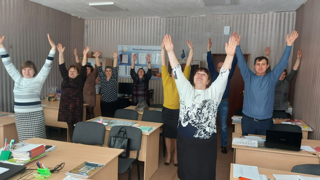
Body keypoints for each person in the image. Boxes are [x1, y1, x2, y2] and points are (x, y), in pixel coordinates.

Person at [163, 34, 236, 180]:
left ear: (208, 81)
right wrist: (170, 52)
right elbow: (177, 70)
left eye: (204, 74)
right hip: (185, 140)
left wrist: (230, 56)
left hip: (207, 142)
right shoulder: (186, 90)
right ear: (193, 78)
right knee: (185, 173)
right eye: (197, 73)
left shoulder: (214, 93)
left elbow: (223, 76)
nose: (200, 75)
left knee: (205, 174)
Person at [235, 31, 299, 135]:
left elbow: (282, 64)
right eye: (258, 64)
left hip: (265, 122)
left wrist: (289, 45)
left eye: (263, 64)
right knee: (247, 150)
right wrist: (237, 46)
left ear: (267, 66)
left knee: (264, 149)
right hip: (248, 121)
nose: (260, 67)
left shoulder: (272, 78)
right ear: (254, 66)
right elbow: (241, 62)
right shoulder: (248, 77)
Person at [0, 34, 56, 142]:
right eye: (24, 69)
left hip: (35, 116)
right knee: (24, 143)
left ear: (34, 71)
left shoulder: (38, 80)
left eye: (30, 69)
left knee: (39, 143)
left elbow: (47, 65)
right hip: (21, 117)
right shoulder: (17, 79)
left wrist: (53, 49)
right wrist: (1, 46)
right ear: (21, 71)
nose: (27, 71)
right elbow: (8, 64)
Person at [161, 40, 192, 166]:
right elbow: (163, 64)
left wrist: (192, 50)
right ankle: (168, 155)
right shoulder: (166, 79)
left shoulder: (183, 80)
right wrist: (162, 49)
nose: (174, 71)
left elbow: (188, 64)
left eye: (176, 69)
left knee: (178, 135)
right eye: (173, 69)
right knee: (168, 135)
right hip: (167, 111)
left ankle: (176, 157)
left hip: (180, 111)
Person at [206, 34, 238, 154]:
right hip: (212, 103)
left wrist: (235, 48)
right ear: (216, 68)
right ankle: (209, 144)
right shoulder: (213, 75)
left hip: (224, 103)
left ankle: (224, 145)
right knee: (210, 125)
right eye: (218, 67)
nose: (220, 69)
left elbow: (234, 63)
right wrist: (209, 49)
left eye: (222, 67)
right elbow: (209, 61)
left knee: (224, 126)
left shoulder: (227, 76)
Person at [57, 44, 89, 141]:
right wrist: (61, 53)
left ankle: (76, 141)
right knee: (70, 125)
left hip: (75, 107)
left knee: (75, 125)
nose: (71, 72)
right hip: (65, 106)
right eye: (70, 71)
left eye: (74, 71)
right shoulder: (66, 78)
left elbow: (83, 68)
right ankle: (73, 142)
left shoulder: (80, 80)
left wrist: (84, 55)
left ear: (78, 73)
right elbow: (61, 66)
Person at [273, 50, 302, 118]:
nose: (282, 76)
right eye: (280, 74)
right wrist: (267, 56)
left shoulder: (286, 81)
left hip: (281, 109)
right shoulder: (272, 80)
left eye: (284, 74)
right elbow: (268, 70)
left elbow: (293, 71)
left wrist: (298, 59)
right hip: (270, 108)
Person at [74, 48, 98, 120]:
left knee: (90, 111)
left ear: (91, 70)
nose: (87, 70)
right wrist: (76, 55)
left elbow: (97, 67)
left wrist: (97, 57)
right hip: (82, 97)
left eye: (88, 69)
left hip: (90, 97)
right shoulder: (81, 76)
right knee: (83, 112)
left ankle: (91, 124)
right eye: (86, 69)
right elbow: (78, 64)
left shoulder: (93, 75)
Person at [96, 51, 118, 117]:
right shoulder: (102, 77)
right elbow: (99, 68)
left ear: (112, 72)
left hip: (113, 103)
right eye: (107, 71)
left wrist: (115, 58)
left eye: (110, 71)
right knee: (104, 117)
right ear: (105, 72)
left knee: (113, 118)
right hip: (104, 102)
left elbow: (115, 68)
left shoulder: (114, 78)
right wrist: (97, 57)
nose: (108, 72)